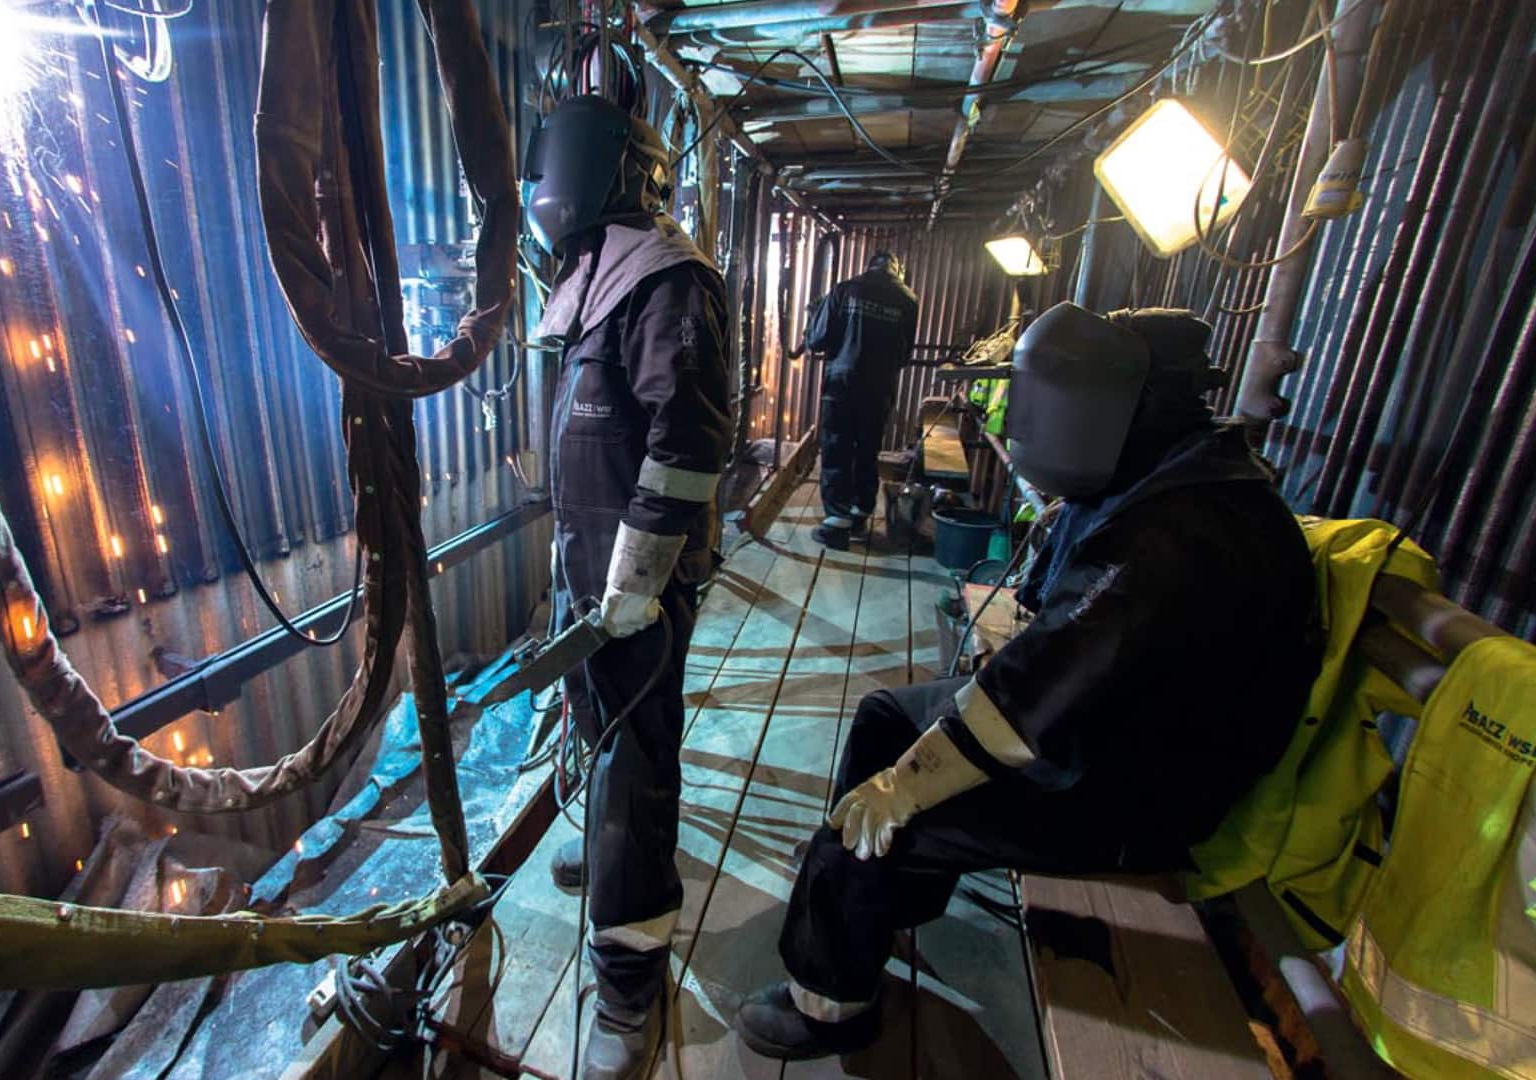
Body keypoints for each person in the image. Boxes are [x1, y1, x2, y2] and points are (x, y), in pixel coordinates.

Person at [733, 302, 1320, 1060]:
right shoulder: (1166, 477)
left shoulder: (1179, 536)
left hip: (1132, 791)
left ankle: (831, 1003)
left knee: (872, 825)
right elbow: (1060, 667)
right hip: (1102, 727)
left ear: (1118, 403)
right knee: (885, 716)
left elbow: (1029, 702)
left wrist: (903, 789)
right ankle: (881, 900)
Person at [523, 87, 732, 1079]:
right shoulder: (598, 271)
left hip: (632, 587)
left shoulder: (664, 279)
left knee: (637, 774)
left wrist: (637, 583)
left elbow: (687, 444)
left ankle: (627, 984)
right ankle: (612, 854)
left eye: (546, 171)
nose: (538, 189)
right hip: (590, 572)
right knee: (599, 734)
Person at [805, 251, 920, 549]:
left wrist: (815, 314)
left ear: (869, 267)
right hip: (879, 389)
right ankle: (860, 515)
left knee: (837, 448)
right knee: (868, 449)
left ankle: (836, 524)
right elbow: (904, 356)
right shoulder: (908, 301)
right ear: (896, 270)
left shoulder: (845, 289)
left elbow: (817, 340)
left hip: (841, 384)